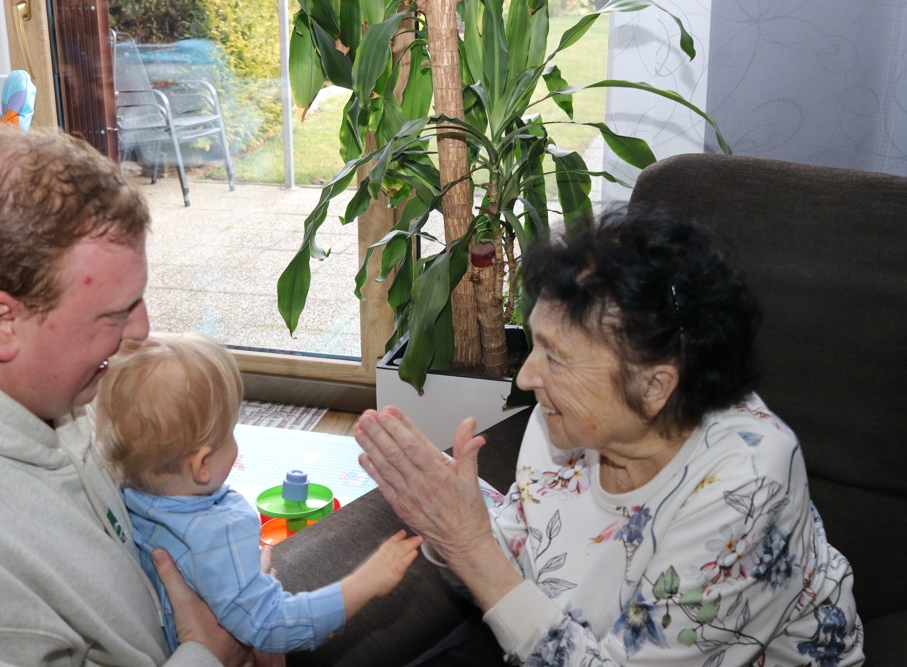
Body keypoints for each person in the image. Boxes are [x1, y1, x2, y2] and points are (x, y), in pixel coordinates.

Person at [354, 207, 866, 666]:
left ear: (654, 386)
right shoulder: (565, 421)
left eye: (556, 356)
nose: (527, 377)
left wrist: (470, 546)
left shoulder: (747, 481)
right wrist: (453, 520)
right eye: (536, 345)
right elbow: (520, 566)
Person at [0, 128, 248, 666]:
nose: (141, 329)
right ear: (2, 323)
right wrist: (209, 653)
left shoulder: (36, 382)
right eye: (114, 313)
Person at [94, 332, 423, 654]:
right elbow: (271, 625)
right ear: (202, 465)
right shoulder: (217, 531)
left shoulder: (134, 492)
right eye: (230, 434)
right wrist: (365, 582)